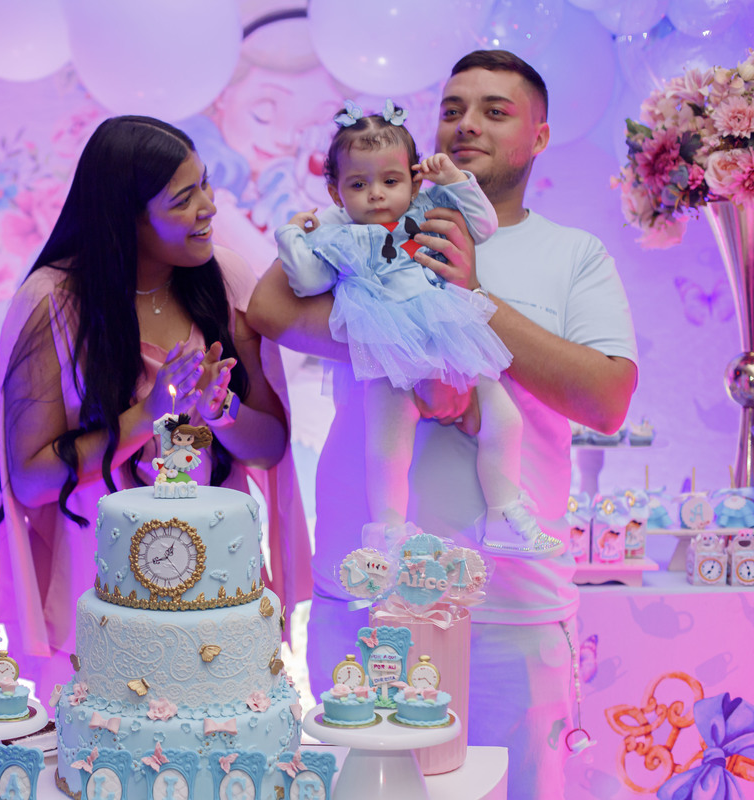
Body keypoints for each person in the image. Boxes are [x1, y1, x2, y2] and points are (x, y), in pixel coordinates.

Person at [248, 51, 638, 799]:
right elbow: (270, 309)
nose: (467, 124)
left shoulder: (572, 254)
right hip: (367, 597)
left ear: (540, 136)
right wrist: (417, 353)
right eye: (453, 109)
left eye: (495, 111)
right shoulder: (375, 223)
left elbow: (607, 399)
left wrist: (476, 299)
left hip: (511, 607)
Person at [0, 115, 311, 696]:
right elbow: (31, 479)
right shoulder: (52, 304)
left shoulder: (225, 279)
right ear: (126, 219)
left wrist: (221, 410)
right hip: (96, 592)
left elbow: (269, 449)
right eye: (183, 200)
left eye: (205, 185)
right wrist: (144, 417)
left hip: (215, 592)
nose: (209, 207)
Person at [275, 102, 561, 557]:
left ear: (415, 180)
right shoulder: (338, 235)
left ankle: (504, 514)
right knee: (388, 446)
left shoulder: (430, 208)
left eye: (390, 181)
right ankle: (388, 536)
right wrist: (292, 234)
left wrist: (454, 178)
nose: (376, 194)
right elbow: (307, 281)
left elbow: (484, 226)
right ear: (335, 192)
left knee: (504, 417)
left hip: (449, 333)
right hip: (389, 346)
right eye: (358, 184)